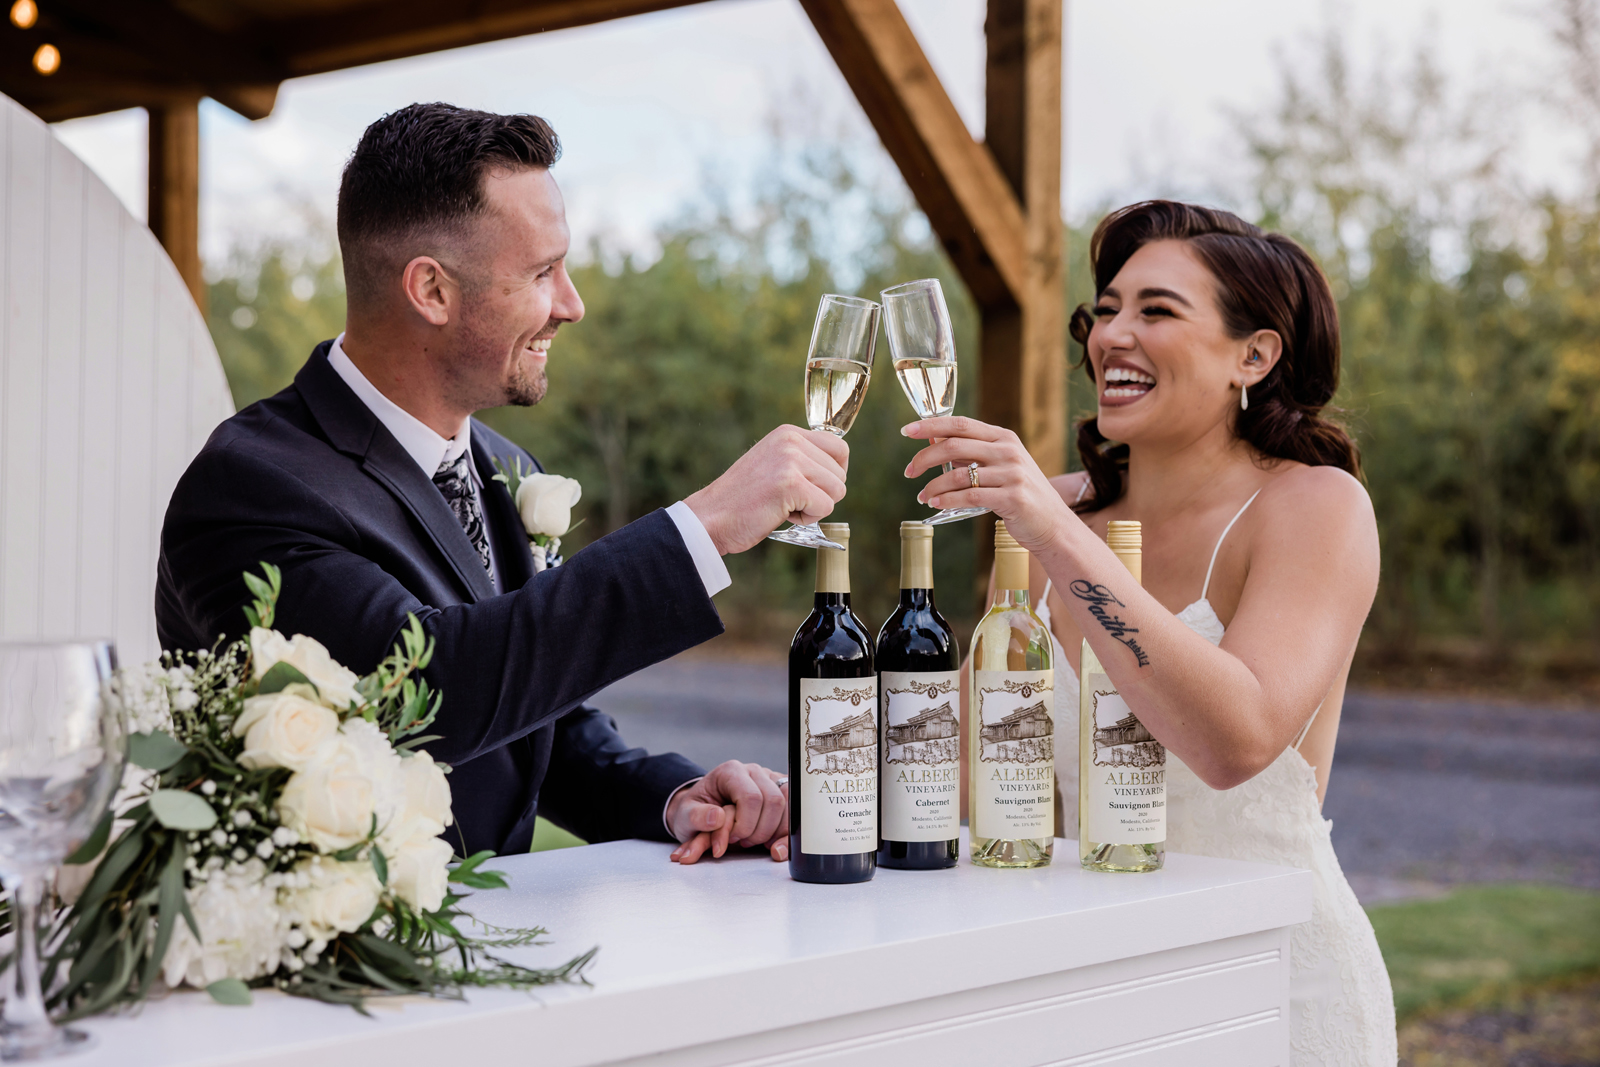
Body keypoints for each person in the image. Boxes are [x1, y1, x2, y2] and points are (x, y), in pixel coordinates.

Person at [157, 103, 847, 866]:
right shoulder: (250, 486)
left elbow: (534, 720)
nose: (572, 304)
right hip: (330, 971)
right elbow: (432, 690)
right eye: (543, 272)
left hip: (513, 958)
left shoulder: (506, 465)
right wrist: (704, 526)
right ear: (432, 291)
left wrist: (673, 797)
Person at [905, 201, 1397, 1064]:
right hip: (1096, 994)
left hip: (1277, 989)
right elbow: (999, 801)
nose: (1110, 335)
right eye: (1107, 309)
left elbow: (1234, 737)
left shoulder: (1315, 507)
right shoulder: (1049, 513)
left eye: (1156, 310)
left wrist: (1055, 536)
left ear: (1256, 353)